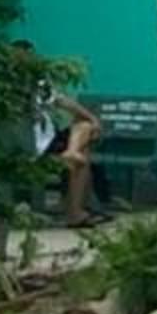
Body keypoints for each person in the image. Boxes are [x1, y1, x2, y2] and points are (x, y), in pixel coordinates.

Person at [33, 83, 101, 224]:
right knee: (82, 156)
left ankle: (72, 151)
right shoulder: (29, 82)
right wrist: (93, 119)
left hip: (48, 140)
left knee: (84, 128)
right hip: (36, 146)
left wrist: (92, 120)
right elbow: (61, 101)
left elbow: (61, 100)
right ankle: (75, 213)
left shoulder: (36, 83)